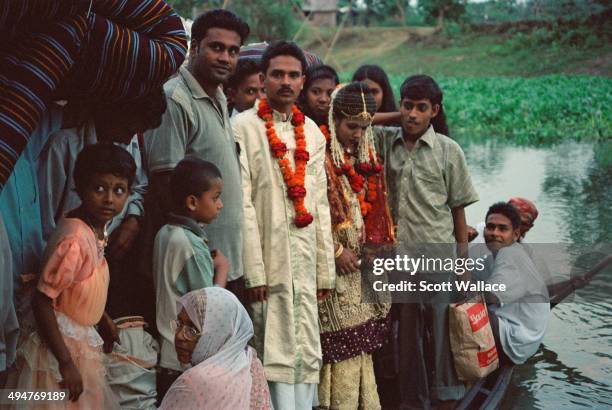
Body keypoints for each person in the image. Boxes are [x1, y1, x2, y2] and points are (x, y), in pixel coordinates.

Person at [232, 41, 336, 410]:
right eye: (277, 74)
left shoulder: (314, 132)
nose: (286, 82)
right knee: (269, 339)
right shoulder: (242, 128)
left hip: (306, 260)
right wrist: (254, 271)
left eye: (294, 75)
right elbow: (241, 203)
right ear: (263, 79)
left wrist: (326, 271)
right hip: (268, 257)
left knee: (306, 342)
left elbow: (320, 206)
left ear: (303, 80)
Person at [374, 74, 479, 408]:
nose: (413, 115)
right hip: (398, 259)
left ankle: (447, 398)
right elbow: (351, 120)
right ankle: (412, 401)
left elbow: (458, 212)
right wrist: (395, 116)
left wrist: (462, 266)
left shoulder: (448, 150)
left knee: (442, 335)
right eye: (408, 106)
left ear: (435, 110)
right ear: (400, 104)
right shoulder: (383, 140)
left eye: (422, 108)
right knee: (408, 340)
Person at [12, 143, 136, 407]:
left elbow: (76, 286)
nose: (109, 199)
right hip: (58, 351)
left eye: (119, 190)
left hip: (79, 341)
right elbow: (42, 300)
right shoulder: (76, 240)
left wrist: (101, 317)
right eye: (99, 188)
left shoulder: (94, 229)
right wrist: (65, 362)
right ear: (79, 187)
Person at [145, 9, 249, 300]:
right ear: (194, 48)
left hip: (226, 261)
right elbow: (166, 181)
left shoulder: (217, 94)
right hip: (198, 265)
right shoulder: (175, 99)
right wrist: (199, 246)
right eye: (216, 47)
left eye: (232, 51)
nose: (225, 58)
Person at [37, 89, 166, 322]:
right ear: (112, 111)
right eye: (129, 129)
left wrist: (132, 220)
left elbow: (138, 186)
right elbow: (45, 220)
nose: (131, 138)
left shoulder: (129, 140)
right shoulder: (64, 146)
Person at [317, 82, 394, 409]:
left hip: (361, 270)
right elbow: (311, 216)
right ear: (334, 120)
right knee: (339, 353)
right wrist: (335, 252)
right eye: (352, 126)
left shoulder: (366, 157)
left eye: (365, 127)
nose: (359, 134)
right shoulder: (318, 156)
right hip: (333, 271)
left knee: (362, 351)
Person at [153, 158, 230, 400]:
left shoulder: (165, 232)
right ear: (192, 202)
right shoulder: (191, 245)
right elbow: (207, 309)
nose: (221, 205)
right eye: (215, 197)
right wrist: (222, 270)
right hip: (185, 356)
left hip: (167, 350)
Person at [159, 287, 272, 410]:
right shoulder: (249, 361)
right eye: (179, 323)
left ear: (218, 334)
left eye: (192, 329)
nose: (179, 336)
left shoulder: (195, 382)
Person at [480, 202, 550, 365]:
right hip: (523, 338)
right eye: (490, 227)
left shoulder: (511, 254)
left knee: (462, 307)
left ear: (516, 234)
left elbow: (490, 297)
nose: (494, 233)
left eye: (502, 229)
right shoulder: (501, 253)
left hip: (515, 342)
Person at [471, 197, 539, 243]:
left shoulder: (527, 250)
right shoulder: (480, 230)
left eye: (523, 224)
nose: (518, 225)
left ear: (529, 227)